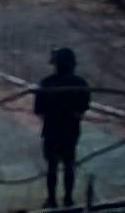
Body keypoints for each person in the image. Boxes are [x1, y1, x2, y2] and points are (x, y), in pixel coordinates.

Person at [34, 47, 91, 208]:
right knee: (69, 166)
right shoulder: (80, 84)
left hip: (51, 130)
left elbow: (38, 109)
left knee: (52, 166)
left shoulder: (47, 83)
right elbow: (83, 107)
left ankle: (51, 199)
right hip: (70, 131)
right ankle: (68, 199)